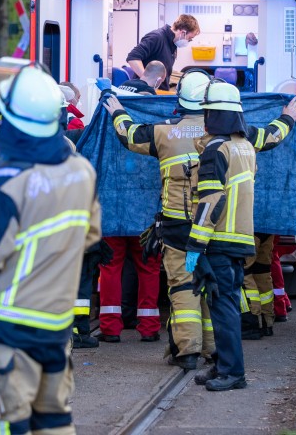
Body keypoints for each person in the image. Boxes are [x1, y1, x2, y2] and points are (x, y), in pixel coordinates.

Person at [0, 64, 101, 435]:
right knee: (53, 419)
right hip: (56, 325)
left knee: (4, 422)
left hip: (9, 328)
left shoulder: (7, 182)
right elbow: (89, 236)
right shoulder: (80, 170)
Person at [185, 80, 296, 392]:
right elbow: (273, 135)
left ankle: (233, 373)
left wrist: (195, 246)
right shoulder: (245, 145)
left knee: (222, 307)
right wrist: (289, 117)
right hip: (241, 240)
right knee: (226, 303)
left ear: (211, 115)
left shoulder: (214, 152)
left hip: (219, 242)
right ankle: (222, 364)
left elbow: (210, 202)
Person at [102, 68, 213, 368]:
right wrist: (289, 118)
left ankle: (188, 351)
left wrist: (116, 109)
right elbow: (268, 138)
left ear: (180, 100)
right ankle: (212, 349)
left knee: (183, 285)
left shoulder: (165, 132)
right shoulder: (224, 133)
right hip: (214, 227)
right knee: (210, 284)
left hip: (179, 228)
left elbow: (129, 134)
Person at [126, 15, 201, 91]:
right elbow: (133, 58)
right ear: (183, 33)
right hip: (144, 93)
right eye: (189, 38)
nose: (188, 41)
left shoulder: (173, 43)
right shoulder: (156, 37)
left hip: (159, 92)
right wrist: (147, 83)